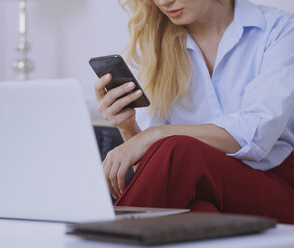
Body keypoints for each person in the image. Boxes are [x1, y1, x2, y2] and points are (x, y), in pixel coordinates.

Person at [94, 0, 294, 224]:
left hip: (275, 187)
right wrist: (128, 126)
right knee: (195, 210)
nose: (163, 2)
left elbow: (257, 133)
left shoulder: (280, 30)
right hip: (202, 191)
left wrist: (157, 134)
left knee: (179, 150)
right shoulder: (156, 43)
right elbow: (157, 173)